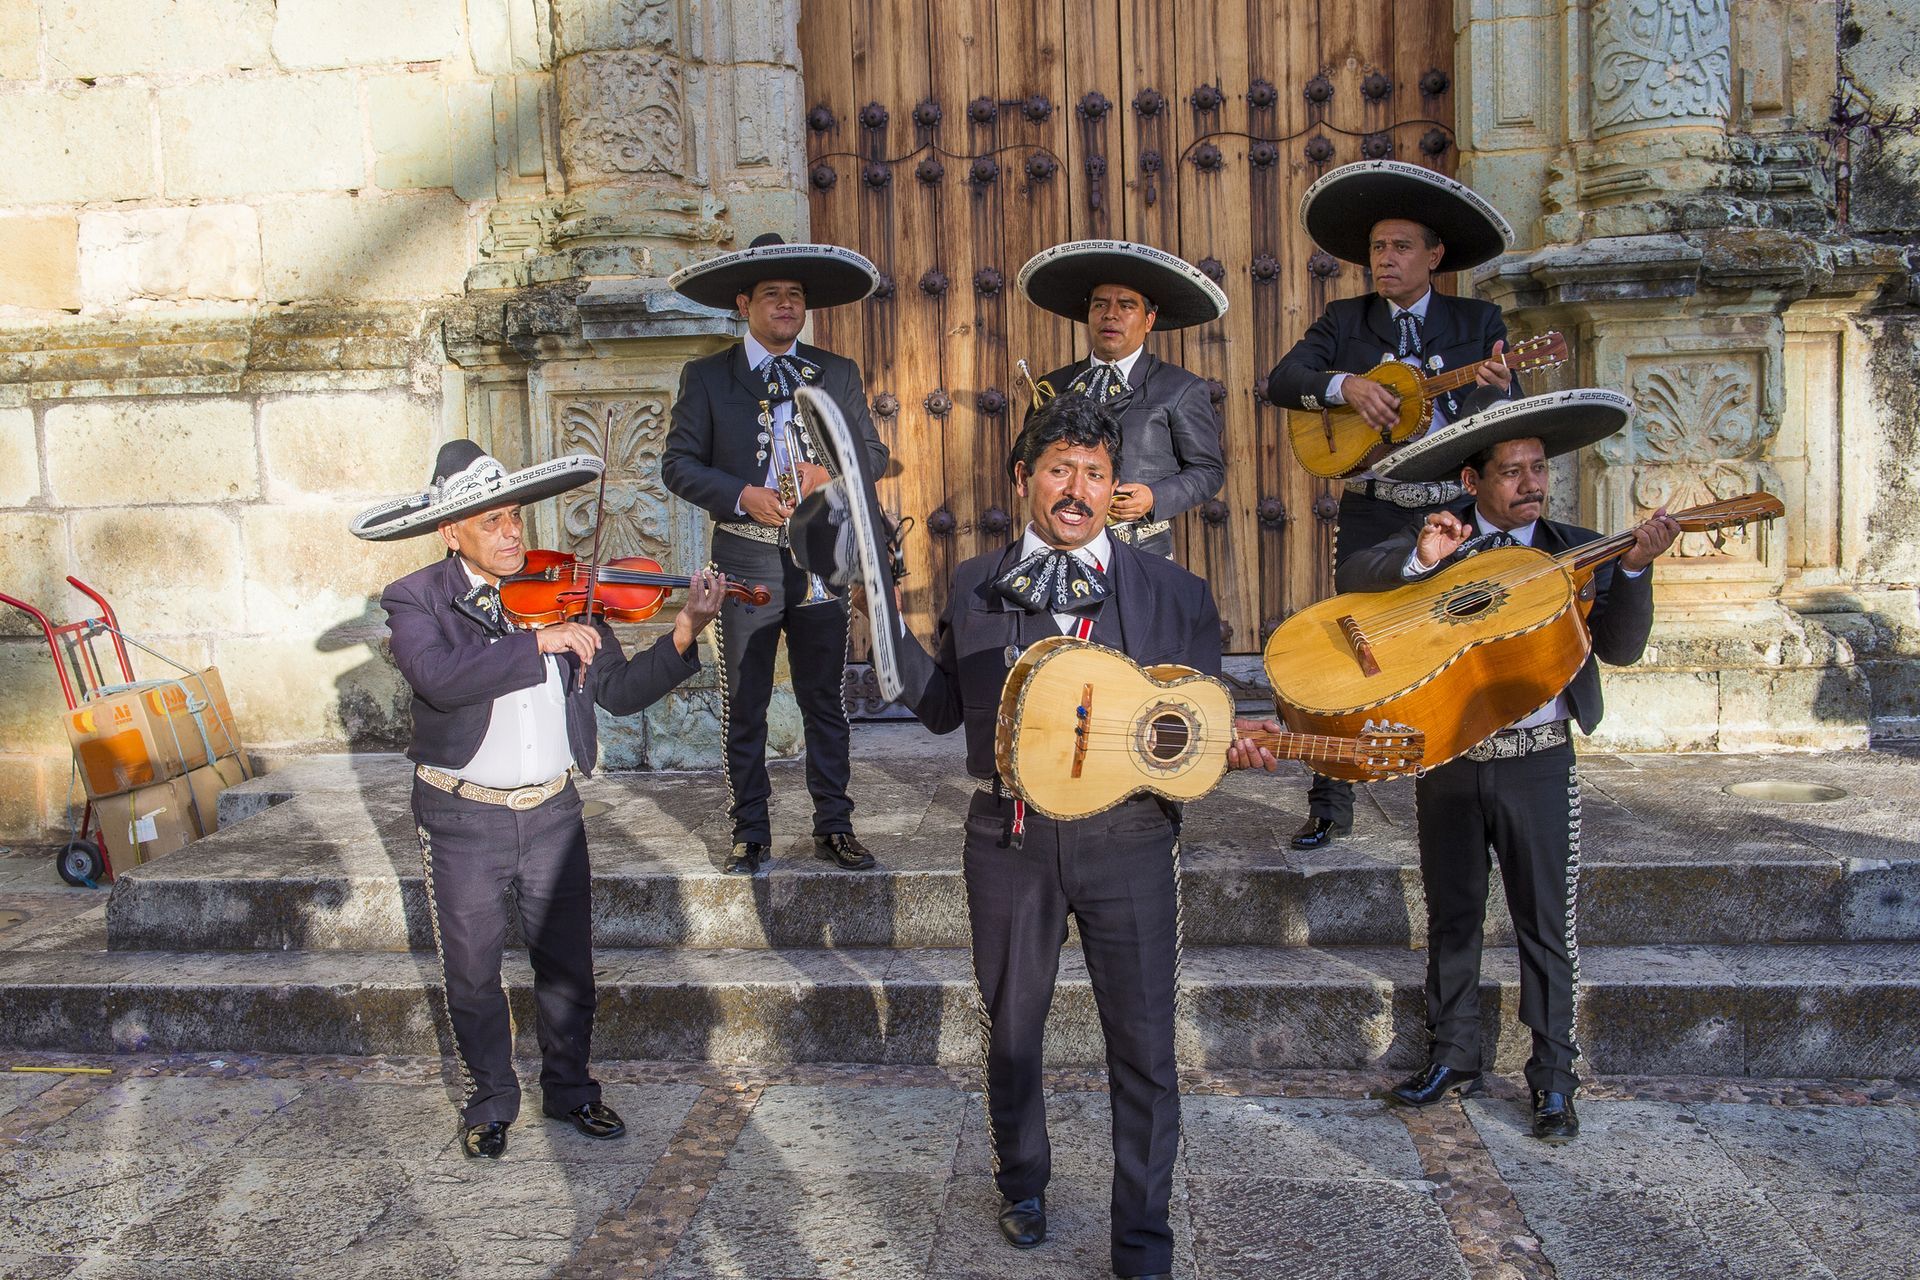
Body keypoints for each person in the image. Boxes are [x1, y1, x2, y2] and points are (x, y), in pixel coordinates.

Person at [857, 394, 1277, 1279]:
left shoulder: (1176, 594)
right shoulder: (974, 585)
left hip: (1129, 840)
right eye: (1059, 470)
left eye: (1093, 473)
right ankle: (1023, 1182)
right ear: (1024, 481)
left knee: (1145, 1043)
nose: (1076, 489)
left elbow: (1195, 729)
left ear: (1115, 486)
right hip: (1010, 840)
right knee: (1012, 1029)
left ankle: (1142, 1242)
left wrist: (1228, 747)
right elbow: (938, 713)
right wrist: (877, 617)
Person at [352, 440, 725, 1159]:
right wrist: (538, 644)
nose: (511, 534)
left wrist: (685, 632)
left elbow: (614, 693)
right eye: (490, 523)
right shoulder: (416, 598)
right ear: (450, 531)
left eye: (514, 517)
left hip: (554, 811)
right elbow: (438, 678)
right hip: (463, 814)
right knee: (471, 972)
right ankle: (490, 1099)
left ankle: (571, 1090)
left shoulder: (561, 583)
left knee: (567, 968)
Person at [1334, 397, 1680, 1145]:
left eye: (1538, 470)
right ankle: (1452, 1056)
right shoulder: (1444, 538)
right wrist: (1424, 560)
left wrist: (1637, 570)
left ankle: (1554, 1081)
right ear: (1473, 478)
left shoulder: (1580, 547)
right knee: (1453, 918)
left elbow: (1619, 650)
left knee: (1545, 928)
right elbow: (1357, 577)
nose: (1531, 484)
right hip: (1452, 759)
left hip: (1539, 763)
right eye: (1512, 471)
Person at [1265, 159, 1519, 850]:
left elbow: (1510, 418)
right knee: (1353, 648)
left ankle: (1472, 794)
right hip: (1375, 508)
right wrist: (1346, 386)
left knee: (1468, 637)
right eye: (1378, 248)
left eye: (1401, 246)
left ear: (1434, 256)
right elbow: (1283, 380)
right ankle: (1330, 801)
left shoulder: (1478, 320)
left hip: (1452, 512)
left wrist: (1495, 389)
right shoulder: (1346, 319)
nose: (1386, 260)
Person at [662, 234, 890, 876]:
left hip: (821, 553)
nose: (786, 305)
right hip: (746, 558)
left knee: (827, 698)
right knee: (747, 699)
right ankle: (750, 831)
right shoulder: (706, 376)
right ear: (744, 304)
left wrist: (831, 471)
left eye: (795, 295)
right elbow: (677, 466)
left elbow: (871, 454)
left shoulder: (837, 371)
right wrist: (742, 495)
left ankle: (835, 826)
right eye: (772, 295)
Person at [1017, 240, 1228, 557]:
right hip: (1059, 547)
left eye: (1126, 306)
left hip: (1142, 552)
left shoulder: (1181, 388)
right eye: (1100, 305)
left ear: (1148, 320)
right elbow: (1021, 460)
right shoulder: (1053, 385)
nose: (1110, 315)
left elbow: (1208, 471)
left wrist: (1154, 497)